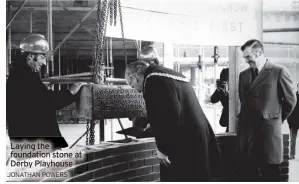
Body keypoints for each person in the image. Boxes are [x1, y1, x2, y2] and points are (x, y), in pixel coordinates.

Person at [125, 61, 221, 181]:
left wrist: (163, 149)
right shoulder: (171, 74)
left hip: (183, 143)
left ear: (134, 77)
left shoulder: (152, 80)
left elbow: (170, 115)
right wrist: (154, 123)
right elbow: (175, 108)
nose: (137, 91)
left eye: (132, 86)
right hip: (198, 136)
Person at [6, 34, 86, 151]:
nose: (44, 63)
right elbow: (47, 101)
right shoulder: (22, 77)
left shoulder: (22, 74)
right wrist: (71, 92)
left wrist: (72, 94)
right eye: (42, 57)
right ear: (30, 56)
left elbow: (42, 99)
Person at [236, 39, 297, 181]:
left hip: (268, 137)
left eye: (248, 57)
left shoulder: (278, 71)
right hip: (249, 137)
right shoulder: (243, 75)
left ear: (259, 53)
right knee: (248, 176)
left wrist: (275, 119)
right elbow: (244, 103)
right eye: (245, 57)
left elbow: (291, 101)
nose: (246, 61)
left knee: (270, 176)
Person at [210, 68, 229, 132]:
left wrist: (227, 93)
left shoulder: (235, 87)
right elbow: (213, 100)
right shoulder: (221, 89)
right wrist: (218, 90)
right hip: (226, 119)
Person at [287, 82, 299, 160]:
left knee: (292, 139)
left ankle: (292, 154)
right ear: (298, 87)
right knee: (292, 139)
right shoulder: (293, 96)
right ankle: (292, 154)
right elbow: (289, 110)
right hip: (294, 122)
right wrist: (290, 122)